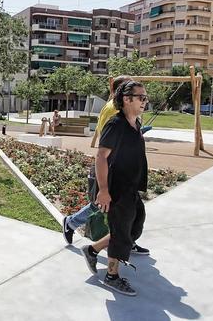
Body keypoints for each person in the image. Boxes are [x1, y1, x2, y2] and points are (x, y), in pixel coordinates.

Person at [81, 81, 149, 296]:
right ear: (127, 99)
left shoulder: (135, 123)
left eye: (146, 97)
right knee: (121, 232)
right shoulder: (116, 124)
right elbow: (101, 157)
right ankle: (112, 276)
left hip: (131, 187)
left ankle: (92, 250)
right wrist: (103, 190)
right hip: (116, 188)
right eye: (141, 97)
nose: (145, 101)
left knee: (133, 227)